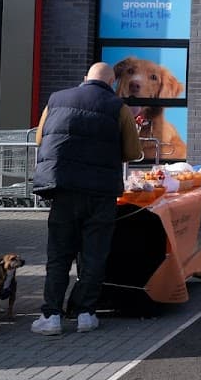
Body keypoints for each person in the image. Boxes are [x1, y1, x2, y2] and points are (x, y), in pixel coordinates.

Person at [30, 62, 144, 335]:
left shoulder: (56, 99)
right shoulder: (119, 108)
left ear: (85, 79)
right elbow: (132, 151)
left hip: (64, 189)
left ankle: (52, 316)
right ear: (113, 83)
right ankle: (85, 313)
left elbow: (39, 139)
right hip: (101, 194)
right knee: (94, 255)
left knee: (59, 255)